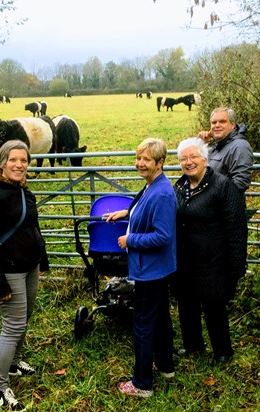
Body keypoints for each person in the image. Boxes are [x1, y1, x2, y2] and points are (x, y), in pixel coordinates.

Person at [0, 140, 49, 411]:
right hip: (8, 271)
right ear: (2, 161)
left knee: (25, 316)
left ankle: (15, 362)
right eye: (14, 160)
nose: (19, 165)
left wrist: (43, 258)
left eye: (24, 160)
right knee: (13, 326)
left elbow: (32, 226)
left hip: (29, 266)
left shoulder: (22, 189)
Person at [105, 138, 177, 397]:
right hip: (156, 268)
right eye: (138, 158)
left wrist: (130, 239)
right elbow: (143, 209)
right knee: (160, 318)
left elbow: (163, 236)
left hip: (152, 269)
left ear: (160, 163)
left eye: (146, 159)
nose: (140, 163)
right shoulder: (152, 186)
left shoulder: (162, 193)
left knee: (143, 323)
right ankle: (166, 366)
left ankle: (142, 383)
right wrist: (126, 213)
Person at [173, 137, 247, 365]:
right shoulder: (179, 187)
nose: (189, 162)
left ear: (205, 159)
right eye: (184, 159)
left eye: (193, 157)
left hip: (213, 260)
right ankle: (193, 345)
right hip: (185, 259)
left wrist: (234, 268)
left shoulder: (222, 186)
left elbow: (236, 228)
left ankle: (223, 351)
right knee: (187, 304)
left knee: (214, 308)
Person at [198, 107, 253, 195]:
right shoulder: (216, 145)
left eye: (222, 121)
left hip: (224, 206)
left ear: (233, 125)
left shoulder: (239, 146)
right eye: (214, 122)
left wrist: (209, 197)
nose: (217, 125)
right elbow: (198, 169)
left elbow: (240, 183)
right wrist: (200, 144)